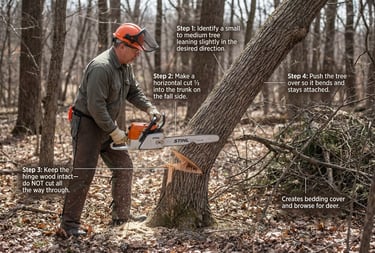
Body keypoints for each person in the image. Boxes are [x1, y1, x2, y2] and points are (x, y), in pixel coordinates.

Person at [60, 23, 161, 237]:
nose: (137, 55)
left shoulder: (125, 67)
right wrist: (115, 131)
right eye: (135, 50)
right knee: (83, 173)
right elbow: (96, 107)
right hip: (88, 125)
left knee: (124, 165)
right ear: (121, 45)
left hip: (106, 124)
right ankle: (68, 224)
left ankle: (121, 216)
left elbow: (133, 91)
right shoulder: (101, 67)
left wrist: (149, 108)